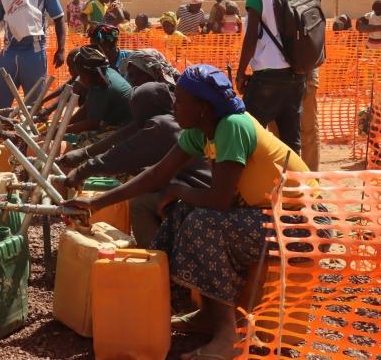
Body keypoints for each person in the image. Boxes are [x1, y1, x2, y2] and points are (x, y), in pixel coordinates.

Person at [66, 64, 308, 360]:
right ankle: (207, 314)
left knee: (204, 223)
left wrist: (178, 190)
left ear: (203, 108)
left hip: (299, 223)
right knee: (183, 214)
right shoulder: (200, 132)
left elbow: (218, 200)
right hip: (267, 218)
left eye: (180, 101)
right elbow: (158, 174)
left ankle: (227, 336)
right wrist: (96, 203)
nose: (174, 106)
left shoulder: (232, 125)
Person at [58, 82, 211, 247]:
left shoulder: (159, 126)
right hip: (198, 185)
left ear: (142, 108)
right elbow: (128, 145)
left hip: (198, 192)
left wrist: (82, 171)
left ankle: (156, 257)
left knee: (140, 204)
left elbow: (121, 154)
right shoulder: (169, 122)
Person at [236, 0, 306, 155]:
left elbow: (251, 37)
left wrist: (240, 72)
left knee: (249, 133)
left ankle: (249, 186)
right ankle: (296, 185)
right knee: (291, 139)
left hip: (268, 76)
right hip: (296, 74)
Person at [279, 0, 321, 171]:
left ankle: (284, 181)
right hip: (308, 70)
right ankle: (311, 181)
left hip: (281, 74)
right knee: (308, 131)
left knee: (278, 134)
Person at [66, 46, 132, 135]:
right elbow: (87, 107)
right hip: (122, 122)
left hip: (126, 128)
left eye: (81, 76)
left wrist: (63, 130)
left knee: (82, 141)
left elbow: (92, 123)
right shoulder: (107, 72)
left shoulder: (101, 88)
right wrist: (65, 124)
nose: (80, 79)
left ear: (89, 74)